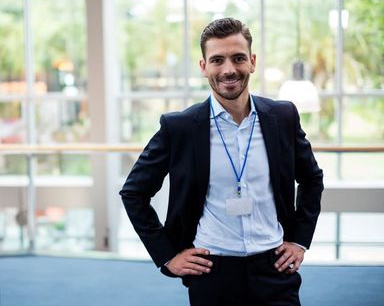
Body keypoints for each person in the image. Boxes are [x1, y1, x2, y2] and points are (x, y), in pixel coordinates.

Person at [119, 17, 324, 306]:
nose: (229, 69)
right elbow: (133, 192)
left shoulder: (283, 117)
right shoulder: (179, 128)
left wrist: (300, 240)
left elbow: (312, 179)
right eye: (217, 60)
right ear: (204, 67)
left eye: (238, 58)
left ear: (252, 62)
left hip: (275, 268)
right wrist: (167, 255)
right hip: (212, 272)